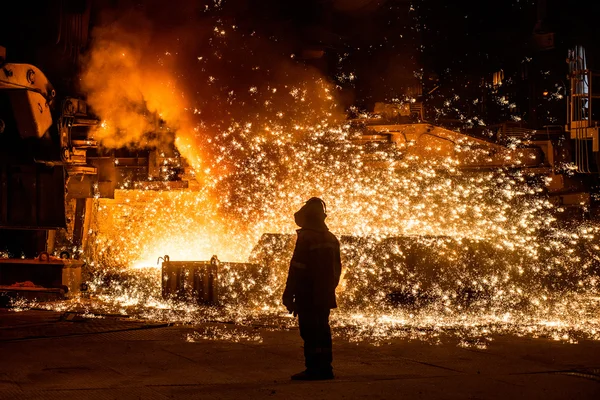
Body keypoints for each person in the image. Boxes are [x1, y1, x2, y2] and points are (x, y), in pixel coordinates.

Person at [282, 197, 342, 380]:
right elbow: (337, 269)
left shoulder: (306, 237)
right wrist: (329, 288)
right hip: (324, 294)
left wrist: (289, 294)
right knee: (322, 330)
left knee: (309, 331)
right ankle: (326, 368)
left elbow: (297, 268)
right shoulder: (331, 238)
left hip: (307, 293)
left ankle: (314, 369)